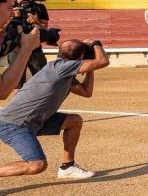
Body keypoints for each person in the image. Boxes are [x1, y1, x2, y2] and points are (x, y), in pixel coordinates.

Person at [0, 38, 110, 179]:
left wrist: (90, 69)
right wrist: (96, 44)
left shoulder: (61, 71)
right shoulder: (61, 68)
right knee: (37, 164)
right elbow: (103, 61)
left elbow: (86, 92)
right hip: (14, 125)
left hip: (33, 121)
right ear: (81, 57)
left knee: (74, 121)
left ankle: (67, 167)